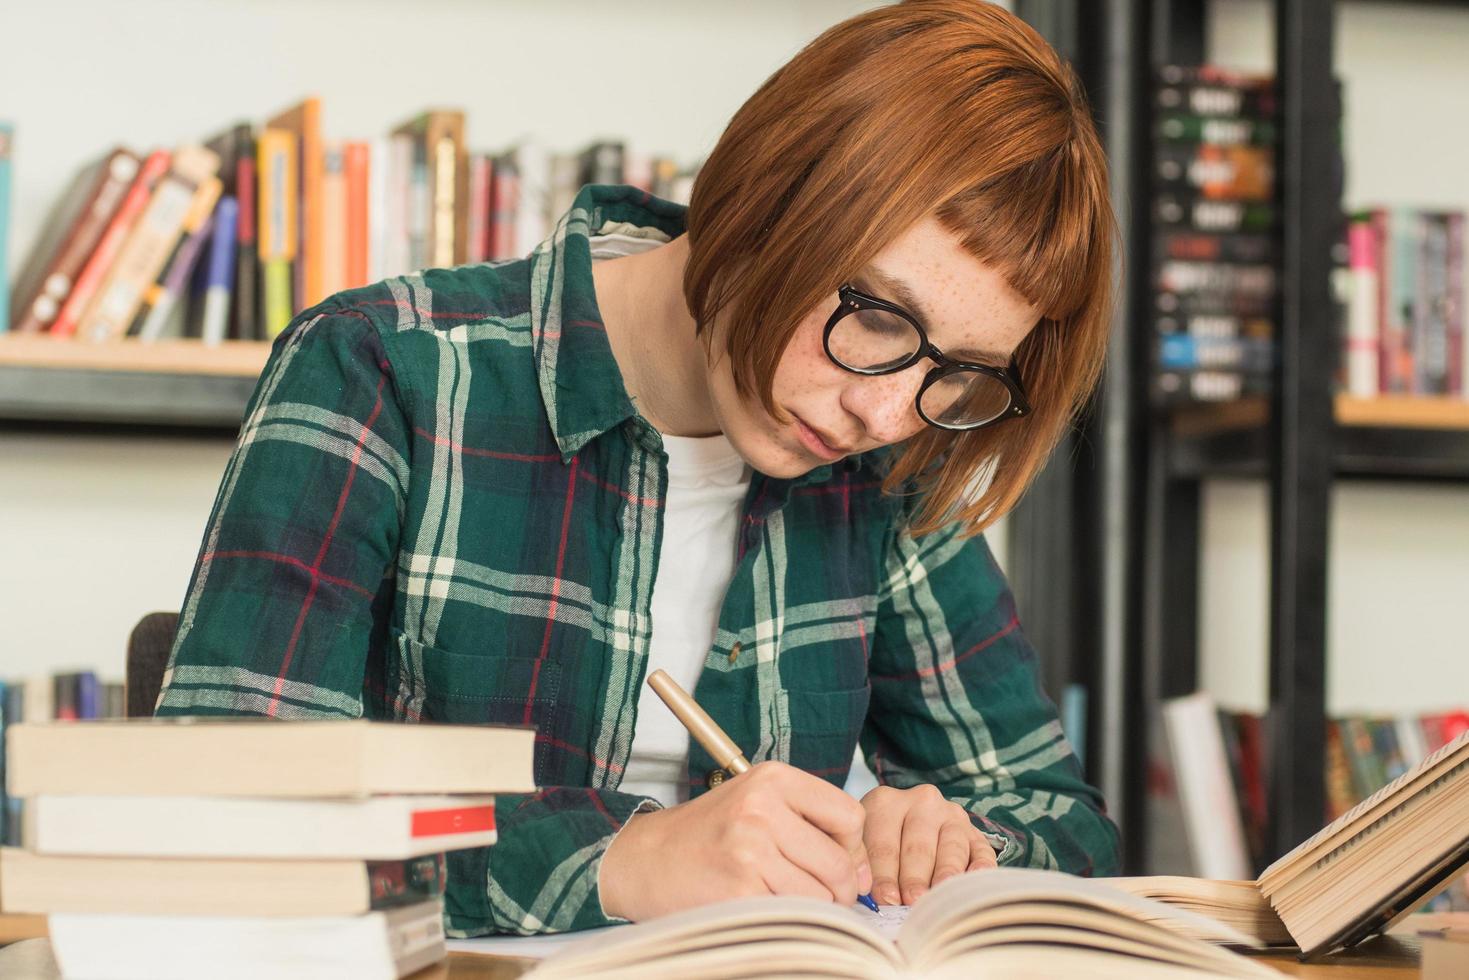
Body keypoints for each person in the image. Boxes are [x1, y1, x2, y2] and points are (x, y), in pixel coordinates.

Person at [155, 0, 1120, 936]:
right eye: (875, 320)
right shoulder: (384, 367)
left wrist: (958, 847)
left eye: (959, 373)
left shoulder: (893, 463)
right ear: (764, 197)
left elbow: (1065, 822)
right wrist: (625, 861)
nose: (884, 410)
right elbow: (232, 813)